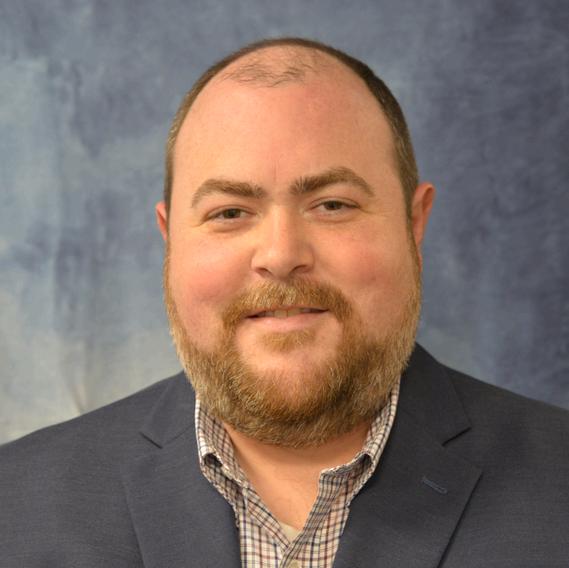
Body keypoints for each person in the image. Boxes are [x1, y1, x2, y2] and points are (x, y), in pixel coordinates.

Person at [1, 37, 568, 568]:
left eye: (332, 205)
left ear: (413, 224)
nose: (280, 255)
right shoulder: (15, 508)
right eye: (229, 212)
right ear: (170, 240)